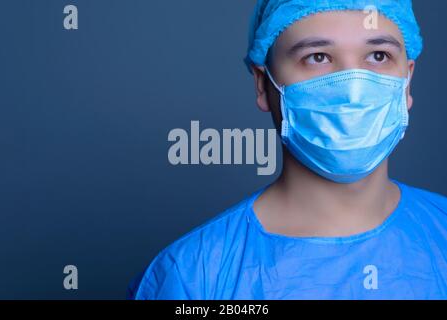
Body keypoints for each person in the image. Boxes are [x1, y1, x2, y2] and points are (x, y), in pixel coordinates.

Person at [131, 0, 447, 299]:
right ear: (262, 84)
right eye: (318, 57)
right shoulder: (195, 277)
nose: (352, 89)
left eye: (378, 56)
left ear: (407, 82)